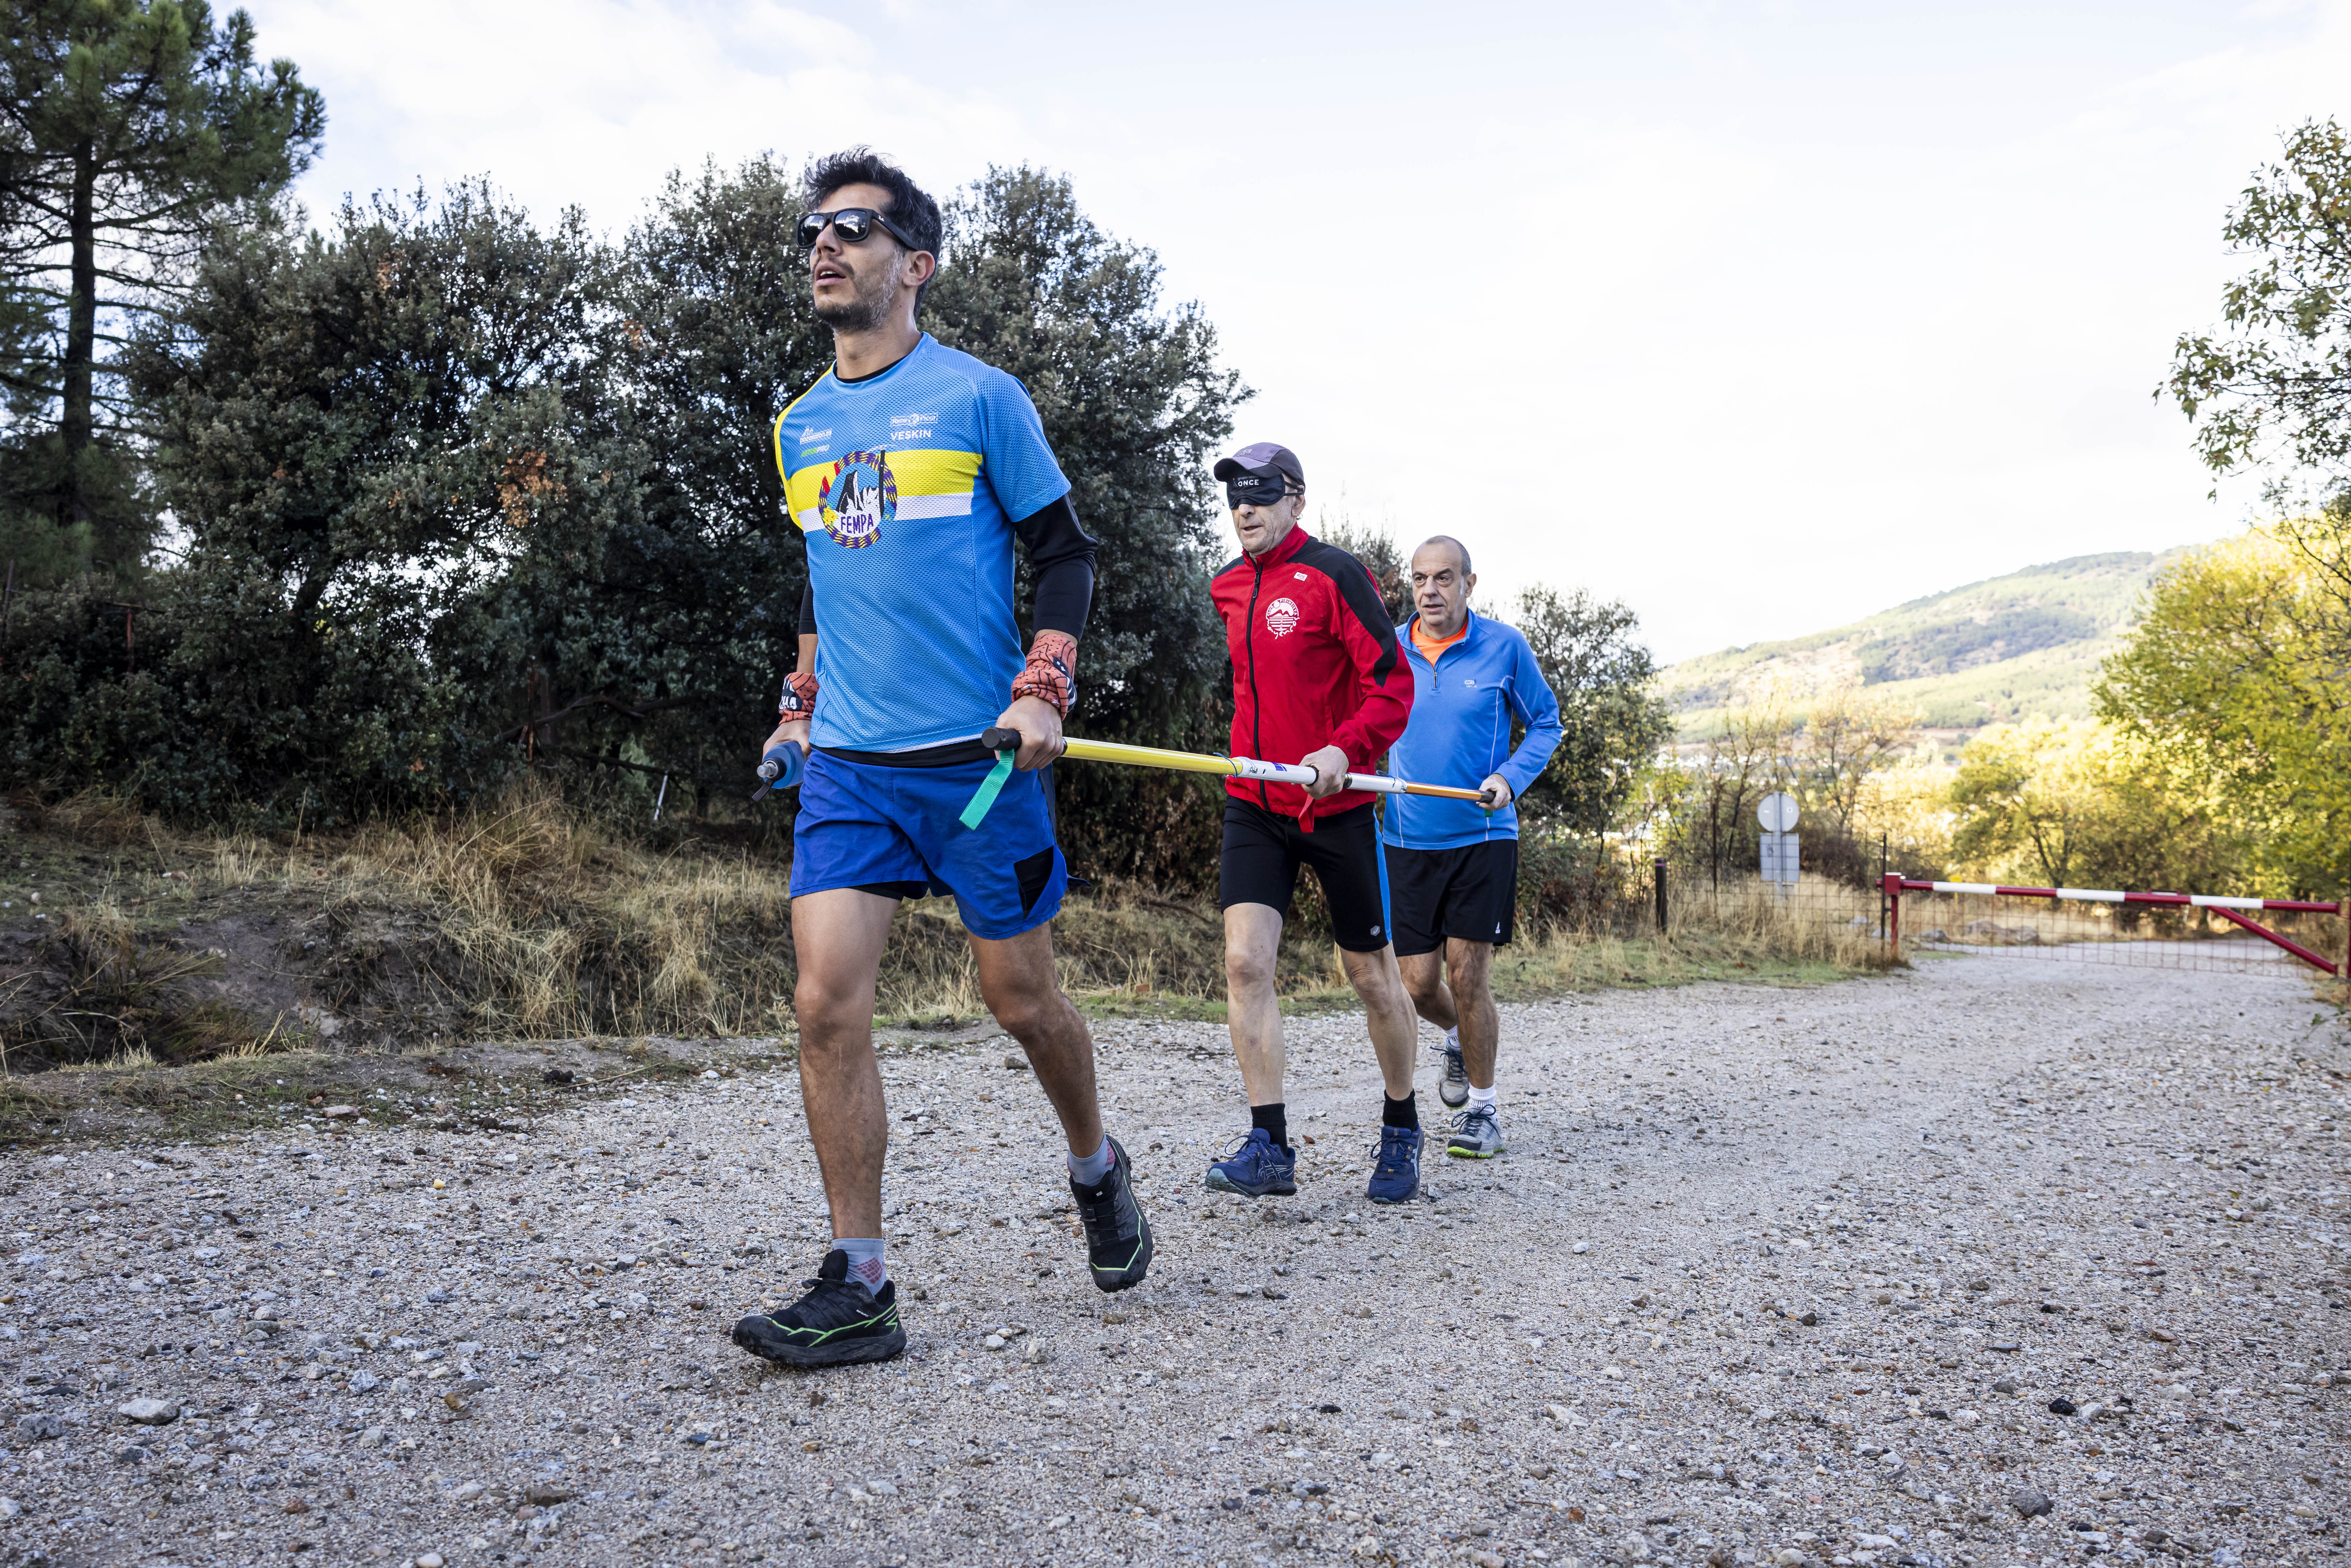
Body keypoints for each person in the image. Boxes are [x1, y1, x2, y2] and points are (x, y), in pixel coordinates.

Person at [729, 150, 1150, 1371]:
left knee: (1019, 998)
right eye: (815, 228)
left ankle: (1096, 1164)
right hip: (854, 767)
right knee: (824, 999)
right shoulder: (799, 425)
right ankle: (860, 1281)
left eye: (853, 228)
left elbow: (1066, 552)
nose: (825, 244)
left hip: (979, 764)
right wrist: (802, 701)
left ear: (913, 266)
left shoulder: (980, 399)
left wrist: (1044, 686)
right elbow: (823, 575)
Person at [1202, 442, 1427, 1204]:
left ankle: (1401, 1122)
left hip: (1336, 807)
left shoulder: (1336, 575)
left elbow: (1391, 684)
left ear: (1296, 501)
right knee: (1243, 965)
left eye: (1262, 493)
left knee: (1370, 976)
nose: (1245, 507)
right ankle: (1269, 1145)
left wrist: (1345, 745)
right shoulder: (1226, 585)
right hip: (1255, 802)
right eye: (1235, 494)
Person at [1383, 536, 1562, 1159]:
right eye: (1420, 580)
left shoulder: (1505, 647)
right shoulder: (1389, 649)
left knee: (1467, 973)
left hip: (1482, 836)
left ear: (1469, 583)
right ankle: (1460, 1037)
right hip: (1405, 837)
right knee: (1415, 982)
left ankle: (1484, 1113)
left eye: (1444, 578)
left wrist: (1508, 779)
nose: (1430, 591)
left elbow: (1546, 722)